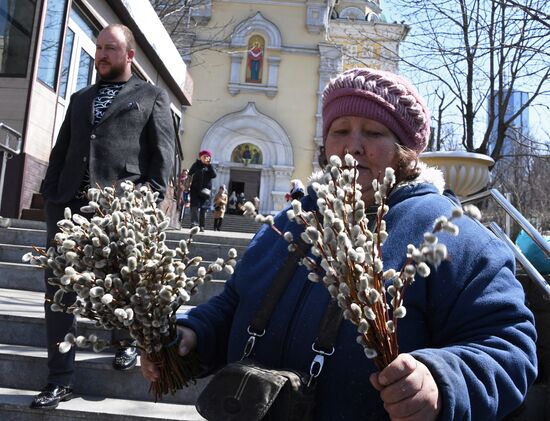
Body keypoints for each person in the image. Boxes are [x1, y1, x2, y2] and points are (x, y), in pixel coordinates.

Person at [141, 67, 537, 420]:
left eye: (375, 132)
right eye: (340, 131)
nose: (353, 146)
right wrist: (192, 336)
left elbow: (509, 347)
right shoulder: (289, 223)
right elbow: (234, 303)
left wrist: (440, 381)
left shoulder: (452, 234)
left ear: (406, 152)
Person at [35, 24, 175, 409]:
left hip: (119, 208)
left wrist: (148, 201)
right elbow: (62, 150)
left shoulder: (151, 96)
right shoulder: (81, 98)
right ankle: (60, 378)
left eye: (110, 49)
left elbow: (162, 155)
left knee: (121, 281)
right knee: (58, 294)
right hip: (68, 207)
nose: (101, 55)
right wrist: (51, 195)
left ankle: (126, 341)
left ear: (130, 55)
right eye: (98, 48)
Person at [188, 150, 216, 231]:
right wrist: (187, 185)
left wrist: (209, 166)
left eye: (208, 157)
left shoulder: (210, 166)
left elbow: (214, 175)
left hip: (205, 191)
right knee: (194, 207)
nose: (206, 158)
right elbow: (190, 174)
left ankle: (201, 226)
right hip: (195, 190)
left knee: (204, 209)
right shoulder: (196, 165)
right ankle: (194, 224)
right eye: (204, 156)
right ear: (200, 157)